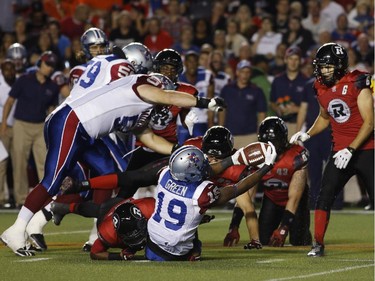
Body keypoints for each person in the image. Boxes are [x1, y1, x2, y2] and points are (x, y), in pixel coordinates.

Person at [0, 71, 225, 257]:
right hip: (71, 121)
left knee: (110, 172)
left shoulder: (142, 111)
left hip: (85, 135)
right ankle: (17, 229)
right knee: (52, 180)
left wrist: (179, 150)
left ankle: (94, 231)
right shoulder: (141, 85)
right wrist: (206, 102)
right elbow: (167, 97)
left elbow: (150, 139)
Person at [290, 42, 374, 257]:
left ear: (339, 65)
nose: (323, 71)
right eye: (321, 67)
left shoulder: (357, 82)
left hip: (367, 149)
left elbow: (369, 123)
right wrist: (307, 133)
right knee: (324, 196)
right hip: (339, 150)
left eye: (327, 66)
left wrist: (351, 149)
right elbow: (325, 117)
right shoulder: (320, 87)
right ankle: (317, 244)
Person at [145, 144, 277, 261]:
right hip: (177, 251)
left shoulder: (164, 174)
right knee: (194, 239)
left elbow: (205, 172)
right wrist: (266, 168)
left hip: (152, 242)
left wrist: (233, 159)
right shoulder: (201, 192)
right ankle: (194, 253)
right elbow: (237, 189)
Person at [223, 117, 312, 248]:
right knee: (264, 240)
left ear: (282, 140)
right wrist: (234, 226)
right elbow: (245, 194)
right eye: (266, 143)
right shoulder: (256, 158)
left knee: (299, 241)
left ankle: (303, 232)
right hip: (272, 199)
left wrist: (283, 229)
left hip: (296, 201)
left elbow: (294, 198)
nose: (270, 148)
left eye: (273, 142)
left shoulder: (295, 156)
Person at [1, 51, 60, 209]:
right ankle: (21, 199)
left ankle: (46, 198)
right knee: (19, 163)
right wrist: (4, 124)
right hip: (21, 124)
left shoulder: (53, 86)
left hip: (40, 126)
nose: (49, 68)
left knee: (44, 163)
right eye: (47, 64)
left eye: (52, 66)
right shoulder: (24, 80)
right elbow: (9, 102)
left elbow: (52, 110)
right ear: (40, 63)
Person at [51, 197, 156, 260]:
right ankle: (66, 208)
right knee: (99, 210)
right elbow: (95, 253)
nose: (136, 235)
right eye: (130, 234)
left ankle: (64, 208)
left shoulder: (150, 208)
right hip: (108, 209)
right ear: (118, 233)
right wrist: (118, 256)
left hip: (125, 202)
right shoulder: (108, 232)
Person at [218, 60, 267, 149]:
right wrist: (221, 129)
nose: (245, 75)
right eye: (242, 72)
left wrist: (259, 135)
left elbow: (261, 114)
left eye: (247, 72)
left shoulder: (257, 91)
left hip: (250, 136)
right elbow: (222, 111)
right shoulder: (227, 89)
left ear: (250, 74)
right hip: (230, 135)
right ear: (237, 72)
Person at [270, 46, 308, 137]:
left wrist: (297, 109)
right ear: (285, 60)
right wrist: (278, 109)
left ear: (300, 61)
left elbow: (313, 107)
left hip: (300, 125)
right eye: (290, 59)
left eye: (296, 59)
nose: (293, 62)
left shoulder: (306, 82)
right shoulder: (278, 80)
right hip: (280, 125)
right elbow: (271, 102)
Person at [0, 60, 16, 208]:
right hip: (2, 126)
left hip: (17, 126)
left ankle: (20, 199)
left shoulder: (19, 81)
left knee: (18, 163)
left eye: (11, 69)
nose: (9, 72)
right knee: (1, 162)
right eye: (6, 70)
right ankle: (1, 198)